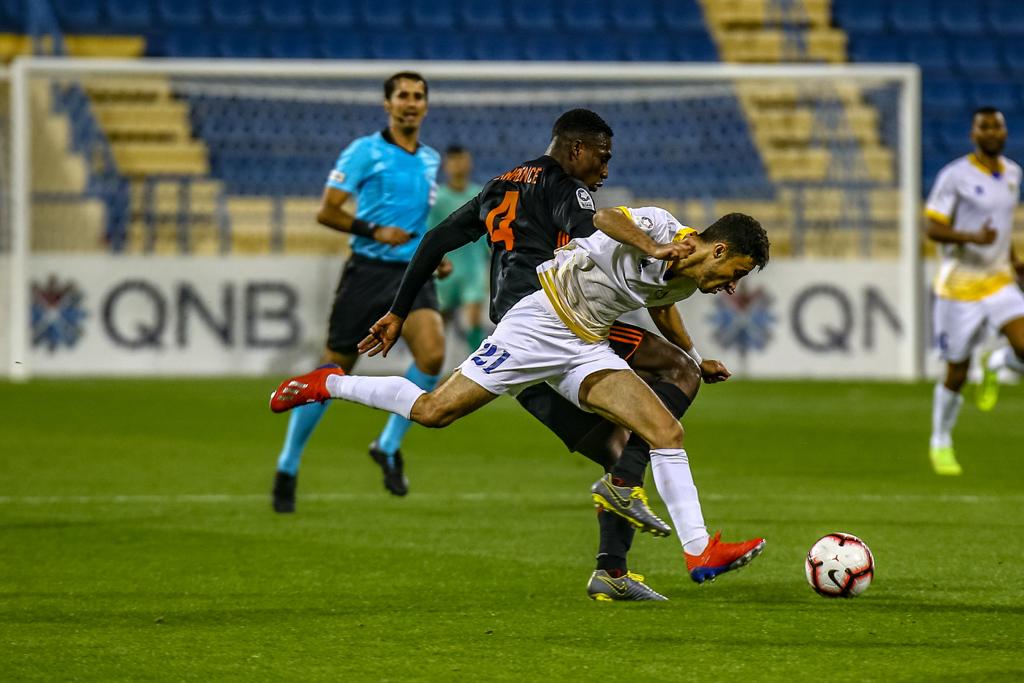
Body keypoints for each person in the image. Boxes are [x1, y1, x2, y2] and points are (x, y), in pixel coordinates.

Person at [270, 207, 771, 598]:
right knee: (434, 412)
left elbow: (663, 310)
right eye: (738, 271)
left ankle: (699, 551)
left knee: (666, 432)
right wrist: (652, 246)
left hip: (586, 345)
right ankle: (330, 383)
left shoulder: (684, 280)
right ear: (719, 248)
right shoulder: (660, 226)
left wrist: (695, 358)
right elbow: (604, 218)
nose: (733, 285)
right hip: (538, 324)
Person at [363, 109, 731, 600]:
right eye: (602, 158)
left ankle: (612, 570)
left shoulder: (498, 186)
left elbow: (435, 241)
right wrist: (653, 248)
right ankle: (632, 502)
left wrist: (397, 310)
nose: (605, 171)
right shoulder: (566, 187)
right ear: (576, 150)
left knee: (618, 445)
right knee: (675, 373)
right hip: (547, 319)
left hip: (515, 323)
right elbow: (593, 228)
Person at [271, 71, 446, 511]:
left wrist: (431, 256)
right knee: (332, 370)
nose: (410, 102)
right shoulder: (364, 151)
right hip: (367, 272)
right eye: (402, 95)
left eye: (418, 96)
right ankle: (288, 463)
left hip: (410, 273)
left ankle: (387, 446)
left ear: (426, 106)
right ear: (387, 104)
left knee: (432, 355)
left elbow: (416, 222)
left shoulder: (430, 159)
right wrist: (373, 230)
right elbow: (327, 211)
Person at [925, 106, 1024, 476]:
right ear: (973, 134)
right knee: (957, 372)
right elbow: (932, 228)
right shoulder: (955, 176)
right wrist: (972, 238)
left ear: (1005, 132)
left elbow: (1001, 226)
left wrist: (1014, 261)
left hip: (998, 281)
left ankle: (998, 362)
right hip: (959, 287)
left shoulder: (1013, 174)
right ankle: (940, 441)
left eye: (997, 126)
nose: (992, 132)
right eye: (985, 127)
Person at [429, 145, 488, 351]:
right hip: (445, 270)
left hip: (473, 269)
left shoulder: (480, 195)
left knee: (474, 320)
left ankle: (477, 367)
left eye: (462, 159)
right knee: (438, 325)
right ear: (446, 165)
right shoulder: (437, 198)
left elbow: (489, 234)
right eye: (453, 160)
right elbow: (429, 234)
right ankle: (427, 369)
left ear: (469, 163)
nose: (458, 165)